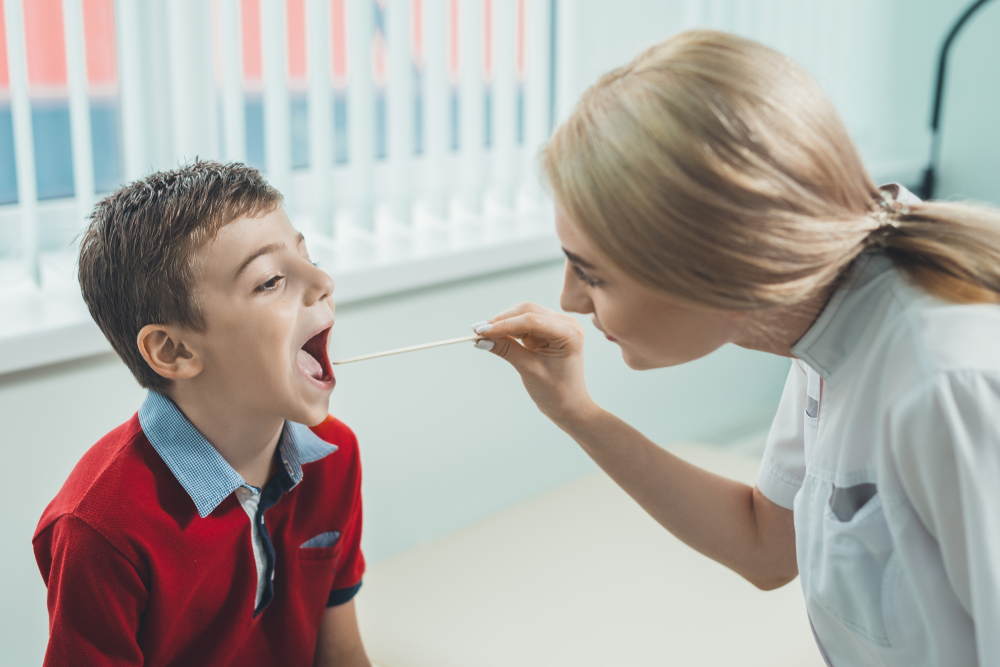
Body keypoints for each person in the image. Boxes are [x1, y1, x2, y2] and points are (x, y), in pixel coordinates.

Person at [470, 30, 1000, 666]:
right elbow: (766, 547)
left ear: (723, 263)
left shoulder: (948, 380)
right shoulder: (824, 319)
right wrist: (575, 411)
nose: (573, 302)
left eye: (593, 273)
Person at [33, 162, 370, 667]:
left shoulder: (335, 455)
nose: (323, 281)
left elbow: (340, 654)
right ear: (172, 351)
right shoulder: (99, 530)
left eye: (310, 258)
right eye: (271, 281)